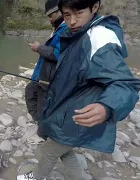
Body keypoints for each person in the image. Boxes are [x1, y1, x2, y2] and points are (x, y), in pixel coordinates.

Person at [18, 0, 139, 179]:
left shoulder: (99, 36)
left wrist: (106, 107)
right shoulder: (76, 32)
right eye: (67, 15)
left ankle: (34, 177)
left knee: (50, 150)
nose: (72, 21)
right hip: (66, 108)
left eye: (78, 13)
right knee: (63, 150)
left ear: (95, 7)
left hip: (78, 114)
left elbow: (124, 84)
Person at [25, 0, 67, 140]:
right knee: (30, 91)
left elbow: (59, 54)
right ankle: (42, 124)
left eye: (51, 15)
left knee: (43, 106)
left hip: (50, 79)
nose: (49, 18)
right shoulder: (57, 28)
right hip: (41, 75)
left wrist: (39, 48)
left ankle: (46, 135)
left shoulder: (67, 29)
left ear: (59, 11)